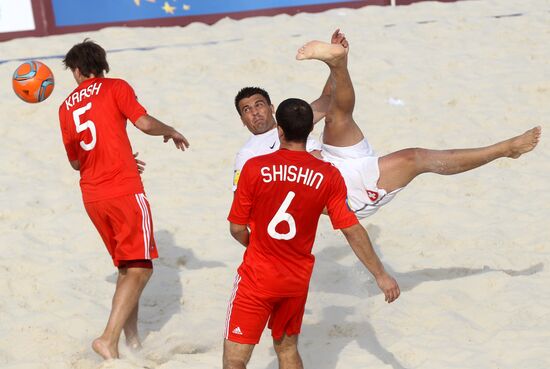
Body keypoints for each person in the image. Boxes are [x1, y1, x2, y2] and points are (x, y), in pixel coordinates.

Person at [233, 30, 541, 219]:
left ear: (272, 108)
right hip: (340, 188)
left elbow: (329, 101)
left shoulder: (290, 119)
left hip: (338, 157)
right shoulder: (248, 156)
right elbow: (256, 199)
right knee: (416, 157)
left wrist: (340, 61)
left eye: (259, 105)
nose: (255, 113)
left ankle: (337, 62)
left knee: (337, 113)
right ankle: (505, 149)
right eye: (247, 110)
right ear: (243, 121)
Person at [225, 98, 399, 369]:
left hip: (258, 276)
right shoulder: (328, 175)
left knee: (236, 359)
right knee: (287, 349)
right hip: (295, 279)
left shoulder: (254, 168)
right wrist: (381, 274)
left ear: (279, 130)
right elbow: (352, 229)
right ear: (309, 131)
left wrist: (258, 245)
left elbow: (236, 228)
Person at [58, 39, 189, 360]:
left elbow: (77, 161)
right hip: (122, 189)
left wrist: (116, 153)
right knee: (142, 269)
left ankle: (132, 342)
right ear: (101, 66)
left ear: (76, 71)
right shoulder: (115, 86)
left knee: (126, 268)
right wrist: (169, 129)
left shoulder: (65, 107)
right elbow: (143, 123)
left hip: (93, 195)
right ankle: (108, 338)